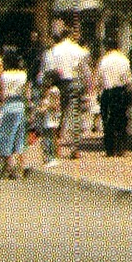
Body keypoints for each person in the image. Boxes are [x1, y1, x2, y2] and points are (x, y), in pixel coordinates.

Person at [41, 23, 92, 165]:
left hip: (59, 84)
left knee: (57, 115)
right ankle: (75, 148)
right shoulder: (77, 49)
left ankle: (56, 147)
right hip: (75, 82)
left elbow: (48, 69)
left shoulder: (54, 51)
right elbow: (85, 64)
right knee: (75, 115)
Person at [0, 46, 31, 178]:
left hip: (8, 106)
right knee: (19, 137)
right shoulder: (23, 75)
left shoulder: (3, 76)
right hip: (20, 106)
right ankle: (21, 169)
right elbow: (27, 93)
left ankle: (10, 168)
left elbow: (0, 94)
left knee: (6, 137)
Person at [96, 32, 132, 157]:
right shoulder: (124, 60)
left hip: (108, 92)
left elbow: (99, 79)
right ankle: (121, 148)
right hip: (121, 91)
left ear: (107, 47)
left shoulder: (104, 61)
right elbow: (128, 79)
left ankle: (110, 149)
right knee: (122, 119)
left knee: (108, 120)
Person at [34, 80, 62, 169]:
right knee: (47, 138)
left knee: (49, 138)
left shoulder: (53, 91)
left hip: (51, 119)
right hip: (47, 119)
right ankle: (49, 158)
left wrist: (45, 108)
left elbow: (55, 105)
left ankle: (52, 158)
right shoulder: (49, 91)